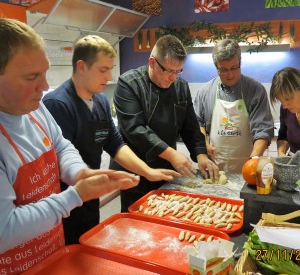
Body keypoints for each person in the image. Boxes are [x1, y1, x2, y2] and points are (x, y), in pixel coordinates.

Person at [0, 18, 141, 275]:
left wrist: (79, 173)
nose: (45, 85)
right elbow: (5, 230)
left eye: (45, 73)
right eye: (31, 77)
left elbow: (61, 146)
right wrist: (76, 195)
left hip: (51, 253)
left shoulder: (35, 108)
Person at [43, 35, 180, 244]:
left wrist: (148, 172)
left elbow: (115, 144)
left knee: (87, 246)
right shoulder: (58, 104)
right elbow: (58, 163)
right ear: (81, 67)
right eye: (103, 69)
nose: (108, 77)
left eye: (111, 68)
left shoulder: (100, 100)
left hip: (90, 198)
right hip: (64, 203)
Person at [110, 34, 219, 213]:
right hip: (135, 172)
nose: (173, 78)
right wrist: (172, 154)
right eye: (168, 71)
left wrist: (201, 155)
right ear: (152, 62)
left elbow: (190, 127)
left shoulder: (181, 87)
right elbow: (135, 129)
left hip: (167, 170)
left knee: (165, 216)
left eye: (178, 71)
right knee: (137, 223)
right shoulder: (128, 84)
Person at [193, 38, 274, 173]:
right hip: (214, 169)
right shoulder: (205, 91)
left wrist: (254, 160)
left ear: (240, 63)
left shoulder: (255, 90)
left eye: (234, 68)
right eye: (223, 70)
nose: (229, 74)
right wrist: (204, 145)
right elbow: (197, 122)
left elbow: (262, 130)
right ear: (216, 67)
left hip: (248, 167)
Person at [270, 67, 300, 156]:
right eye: (281, 100)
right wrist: (281, 154)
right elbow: (283, 135)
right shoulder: (285, 109)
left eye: (287, 99)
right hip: (292, 164)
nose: (285, 105)